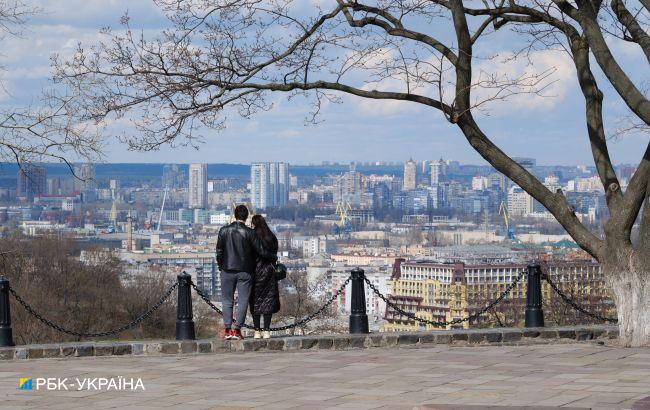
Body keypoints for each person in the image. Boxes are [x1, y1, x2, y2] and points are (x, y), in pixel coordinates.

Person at [216, 205, 276, 340]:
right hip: (245, 270)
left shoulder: (224, 231)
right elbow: (261, 251)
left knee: (227, 300)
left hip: (227, 269)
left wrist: (221, 266)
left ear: (235, 215)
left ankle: (227, 330)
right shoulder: (250, 233)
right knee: (243, 301)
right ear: (246, 216)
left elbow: (219, 251)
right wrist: (274, 257)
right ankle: (237, 330)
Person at [249, 215, 280, 339]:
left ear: (254, 224)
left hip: (255, 272)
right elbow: (275, 253)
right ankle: (267, 330)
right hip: (269, 272)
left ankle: (257, 331)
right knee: (268, 300)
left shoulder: (252, 236)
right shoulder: (271, 237)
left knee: (255, 301)